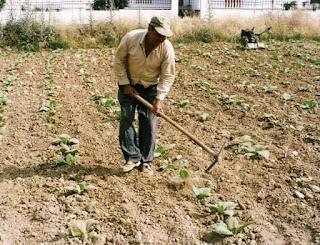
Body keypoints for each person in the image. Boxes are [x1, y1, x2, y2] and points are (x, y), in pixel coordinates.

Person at [114, 16, 175, 175]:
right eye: (159, 35)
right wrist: (125, 83)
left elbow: (168, 76)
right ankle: (132, 157)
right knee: (127, 118)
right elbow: (119, 60)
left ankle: (146, 162)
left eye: (165, 36)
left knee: (148, 121)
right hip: (129, 83)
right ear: (149, 29)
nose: (162, 39)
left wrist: (159, 99)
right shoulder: (131, 38)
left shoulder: (166, 48)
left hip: (150, 87)